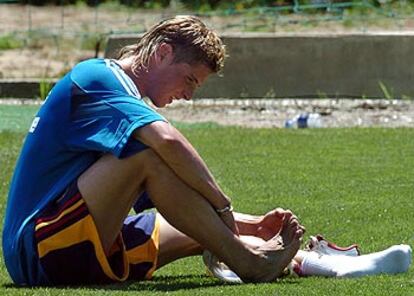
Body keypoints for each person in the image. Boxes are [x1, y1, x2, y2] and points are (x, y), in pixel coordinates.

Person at [2, 15, 304, 286]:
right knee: (148, 156)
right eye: (190, 80)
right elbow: (168, 141)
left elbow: (175, 199)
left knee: (201, 229)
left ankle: (262, 247)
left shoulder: (121, 95)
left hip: (69, 243)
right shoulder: (96, 77)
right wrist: (223, 205)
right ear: (163, 53)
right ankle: (250, 263)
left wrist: (253, 224)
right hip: (38, 251)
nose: (188, 95)